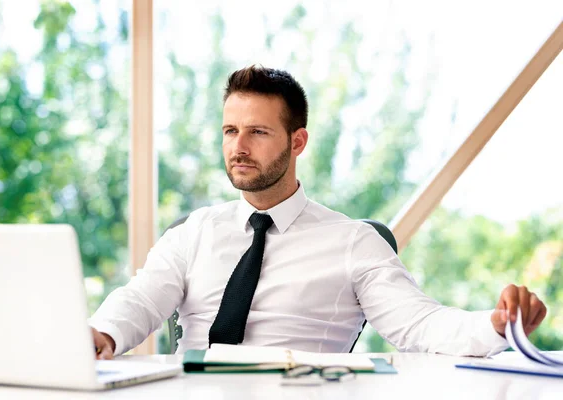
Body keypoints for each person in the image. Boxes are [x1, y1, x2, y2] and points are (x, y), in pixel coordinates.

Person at [90, 65, 547, 360]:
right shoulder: (194, 232)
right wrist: (101, 335)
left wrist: (495, 325)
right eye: (230, 130)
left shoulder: (353, 242)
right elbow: (142, 298)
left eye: (258, 132)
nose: (239, 147)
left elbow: (420, 325)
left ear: (298, 142)